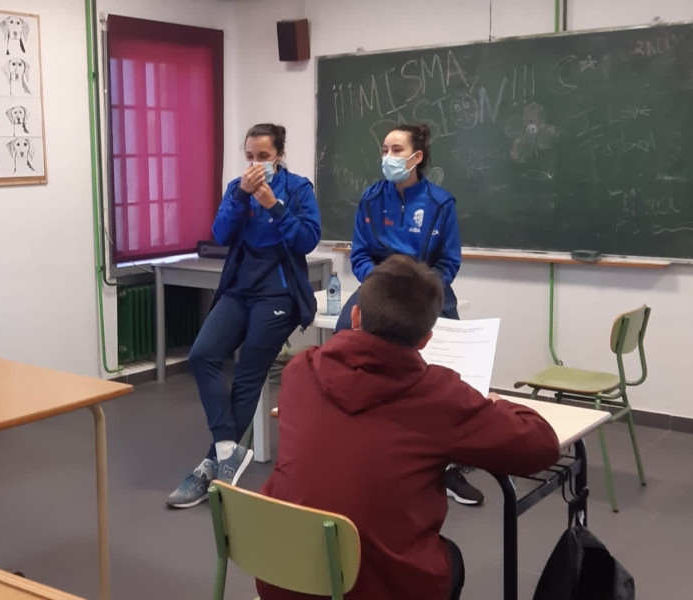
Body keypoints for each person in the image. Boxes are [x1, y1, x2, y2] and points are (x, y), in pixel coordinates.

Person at [258, 255, 561, 600]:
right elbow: (541, 445)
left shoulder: (301, 370)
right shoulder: (440, 396)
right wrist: (494, 403)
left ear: (355, 316)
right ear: (426, 339)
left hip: (283, 578)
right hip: (377, 588)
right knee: (451, 560)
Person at [167, 124, 321, 509]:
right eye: (250, 156)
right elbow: (220, 234)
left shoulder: (299, 188)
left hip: (279, 292)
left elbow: (307, 239)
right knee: (203, 355)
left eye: (263, 157)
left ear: (279, 156)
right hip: (239, 288)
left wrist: (274, 206)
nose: (255, 165)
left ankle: (208, 466)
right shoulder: (238, 187)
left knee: (248, 373)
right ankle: (225, 450)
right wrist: (240, 196)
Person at [335, 124, 484, 505]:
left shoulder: (440, 203)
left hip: (426, 289)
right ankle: (357, 443)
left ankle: (449, 465)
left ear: (417, 157)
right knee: (342, 336)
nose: (387, 157)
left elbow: (449, 261)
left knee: (456, 361)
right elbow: (360, 254)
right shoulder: (370, 198)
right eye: (384, 148)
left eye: (396, 149)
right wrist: (380, 283)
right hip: (379, 286)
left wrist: (423, 290)